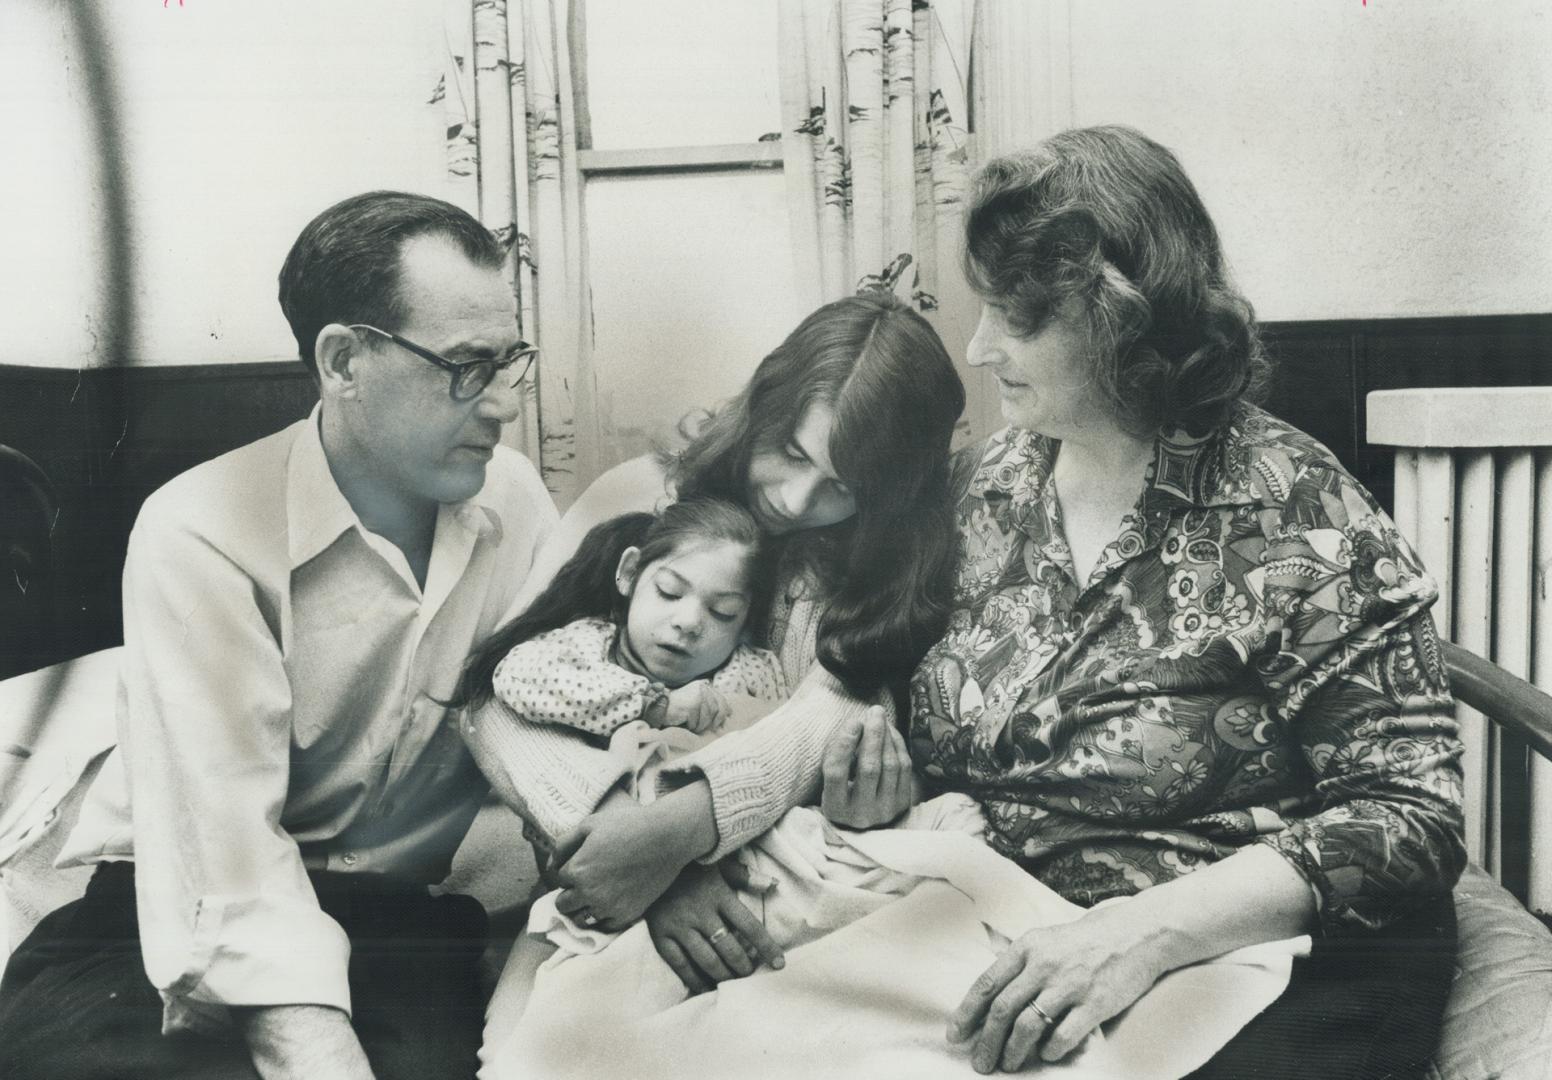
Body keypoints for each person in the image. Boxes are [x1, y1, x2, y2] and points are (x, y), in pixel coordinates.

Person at [916, 125, 1466, 1077]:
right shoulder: (988, 486)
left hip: (1231, 953)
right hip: (1005, 936)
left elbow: (1411, 814)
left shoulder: (1295, 508)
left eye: (1018, 317)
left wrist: (1145, 932)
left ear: (1123, 319)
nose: (977, 347)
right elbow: (864, 660)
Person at [0, 191, 559, 1080]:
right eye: (464, 366)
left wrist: (659, 851)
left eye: (509, 360)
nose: (501, 405)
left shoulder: (515, 500)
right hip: (161, 912)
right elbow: (227, 855)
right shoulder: (201, 530)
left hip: (394, 918)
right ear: (343, 361)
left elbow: (549, 707)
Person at [463, 289, 966, 992]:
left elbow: (833, 709)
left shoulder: (856, 562)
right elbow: (491, 702)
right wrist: (631, 845)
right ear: (765, 402)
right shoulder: (639, 496)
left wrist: (679, 834)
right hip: (592, 854)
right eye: (789, 452)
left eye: (841, 486)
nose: (795, 499)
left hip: (767, 877)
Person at [453, 497, 787, 770]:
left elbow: (782, 750)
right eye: (669, 592)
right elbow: (516, 676)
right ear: (630, 574)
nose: (687, 622)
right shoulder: (589, 643)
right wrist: (657, 705)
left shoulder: (752, 672)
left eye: (722, 612)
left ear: (746, 622)